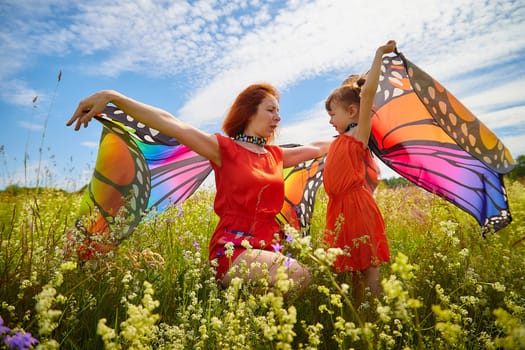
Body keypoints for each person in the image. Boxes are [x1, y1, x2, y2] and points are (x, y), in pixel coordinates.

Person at [67, 83, 331, 292]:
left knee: (271, 316)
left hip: (269, 248)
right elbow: (170, 122)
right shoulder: (222, 148)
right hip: (234, 249)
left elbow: (318, 148)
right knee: (300, 275)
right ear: (250, 111)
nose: (278, 117)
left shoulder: (275, 155)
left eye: (278, 111)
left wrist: (355, 131)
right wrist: (112, 96)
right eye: (270, 109)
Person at [322, 41, 396, 305]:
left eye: (332, 114)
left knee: (368, 265)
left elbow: (367, 94)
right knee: (348, 268)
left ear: (352, 112)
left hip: (356, 206)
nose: (330, 120)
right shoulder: (338, 140)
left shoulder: (358, 135)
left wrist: (379, 54)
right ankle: (359, 314)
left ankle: (375, 312)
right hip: (338, 208)